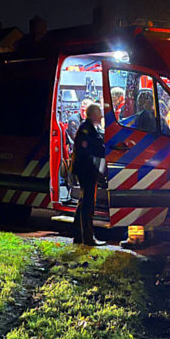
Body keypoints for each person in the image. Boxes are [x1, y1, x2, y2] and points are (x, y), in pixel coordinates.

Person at [72, 103, 107, 245]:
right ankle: (87, 238)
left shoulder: (87, 128)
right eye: (99, 114)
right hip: (86, 171)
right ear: (93, 115)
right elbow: (95, 149)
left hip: (85, 170)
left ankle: (79, 236)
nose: (101, 116)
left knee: (83, 204)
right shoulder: (87, 130)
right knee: (87, 205)